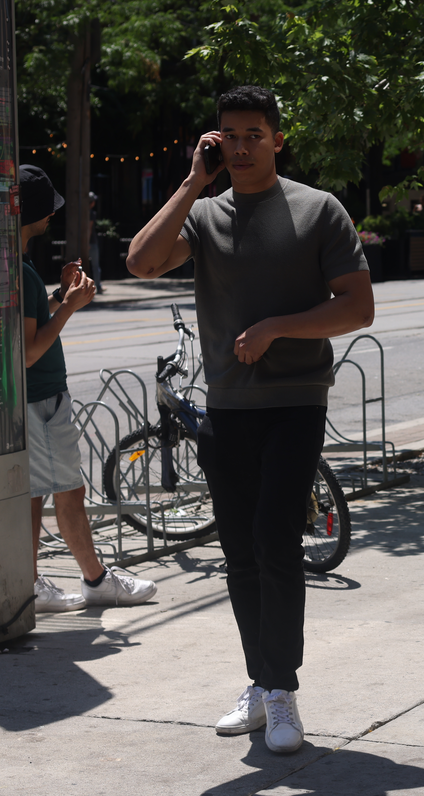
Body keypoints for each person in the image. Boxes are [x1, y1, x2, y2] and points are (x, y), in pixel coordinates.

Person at [126, 86, 374, 754]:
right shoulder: (205, 215)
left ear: (276, 139)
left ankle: (282, 687)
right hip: (227, 408)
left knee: (274, 541)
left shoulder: (317, 209)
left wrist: (276, 329)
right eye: (227, 136)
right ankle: (261, 685)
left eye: (252, 135)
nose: (239, 147)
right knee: (239, 557)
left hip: (294, 402)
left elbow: (357, 308)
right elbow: (141, 262)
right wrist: (189, 181)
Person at [18, 165, 158, 613]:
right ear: (34, 214)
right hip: (40, 399)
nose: (51, 219)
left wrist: (60, 295)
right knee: (68, 491)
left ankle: (31, 581)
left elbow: (31, 329)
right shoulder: (21, 272)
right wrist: (71, 307)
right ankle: (95, 580)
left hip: (33, 399)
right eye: (47, 211)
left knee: (36, 496)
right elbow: (28, 352)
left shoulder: (12, 266)